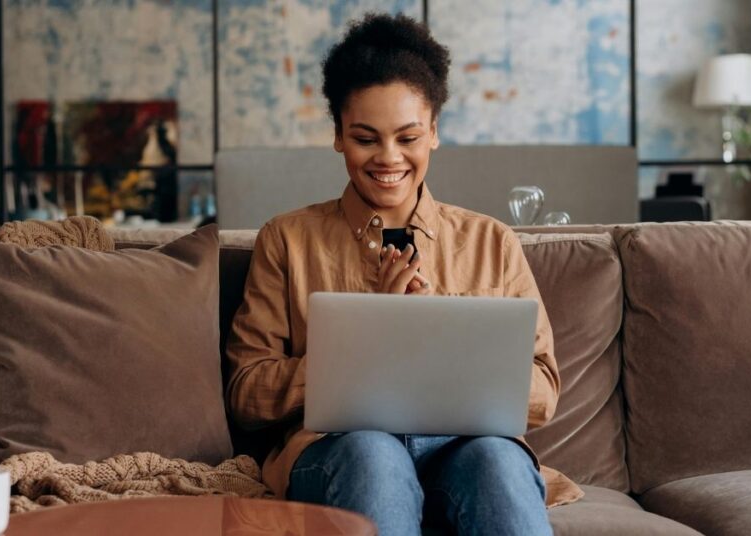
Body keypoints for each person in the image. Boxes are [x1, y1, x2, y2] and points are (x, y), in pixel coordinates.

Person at [225, 13, 580, 536]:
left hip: (464, 449)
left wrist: (441, 344)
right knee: (374, 455)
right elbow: (247, 390)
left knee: (498, 463)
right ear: (339, 137)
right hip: (341, 449)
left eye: (408, 136)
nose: (388, 158)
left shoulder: (491, 242)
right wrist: (366, 348)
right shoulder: (287, 239)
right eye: (366, 138)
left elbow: (543, 390)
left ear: (434, 132)